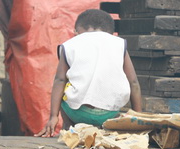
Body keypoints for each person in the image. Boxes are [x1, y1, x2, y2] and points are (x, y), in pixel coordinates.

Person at [36, 9, 142, 137]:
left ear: (77, 30)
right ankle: (102, 130)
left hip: (78, 113)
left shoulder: (70, 44)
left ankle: (69, 128)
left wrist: (53, 116)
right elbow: (134, 82)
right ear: (111, 32)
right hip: (109, 114)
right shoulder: (119, 43)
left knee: (65, 85)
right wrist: (138, 118)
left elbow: (59, 80)